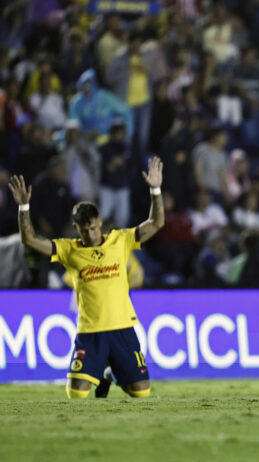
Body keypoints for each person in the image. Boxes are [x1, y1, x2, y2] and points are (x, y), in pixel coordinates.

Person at [7, 157, 166, 399]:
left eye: (93, 228)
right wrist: (24, 208)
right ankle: (101, 373)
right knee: (76, 395)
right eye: (83, 230)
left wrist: (155, 189)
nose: (90, 234)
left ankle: (109, 375)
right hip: (90, 331)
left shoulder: (120, 240)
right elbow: (29, 239)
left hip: (122, 327)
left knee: (141, 393)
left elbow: (157, 222)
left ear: (100, 222)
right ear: (76, 228)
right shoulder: (68, 249)